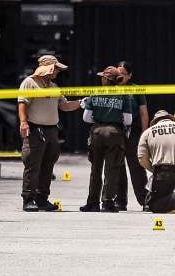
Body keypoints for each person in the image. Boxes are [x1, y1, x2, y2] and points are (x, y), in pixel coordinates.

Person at [18, 55, 83, 212]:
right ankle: (28, 199)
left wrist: (82, 102)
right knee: (32, 165)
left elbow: (65, 106)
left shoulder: (54, 87)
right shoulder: (29, 83)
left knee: (48, 165)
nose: (59, 71)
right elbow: (22, 103)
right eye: (57, 68)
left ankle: (42, 199)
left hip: (52, 131)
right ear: (49, 68)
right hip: (35, 130)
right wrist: (24, 122)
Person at [80, 66, 133, 213]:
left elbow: (86, 118)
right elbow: (128, 120)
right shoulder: (123, 95)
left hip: (96, 132)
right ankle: (107, 203)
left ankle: (92, 203)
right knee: (112, 169)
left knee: (95, 169)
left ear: (105, 79)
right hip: (115, 133)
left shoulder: (95, 93)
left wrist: (99, 119)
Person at [113, 61, 150, 211]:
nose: (120, 77)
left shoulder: (135, 90)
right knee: (117, 165)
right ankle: (120, 200)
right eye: (117, 73)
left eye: (123, 74)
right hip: (115, 130)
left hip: (133, 131)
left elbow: (143, 112)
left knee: (136, 166)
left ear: (130, 76)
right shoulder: (110, 88)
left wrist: (144, 133)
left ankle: (145, 200)